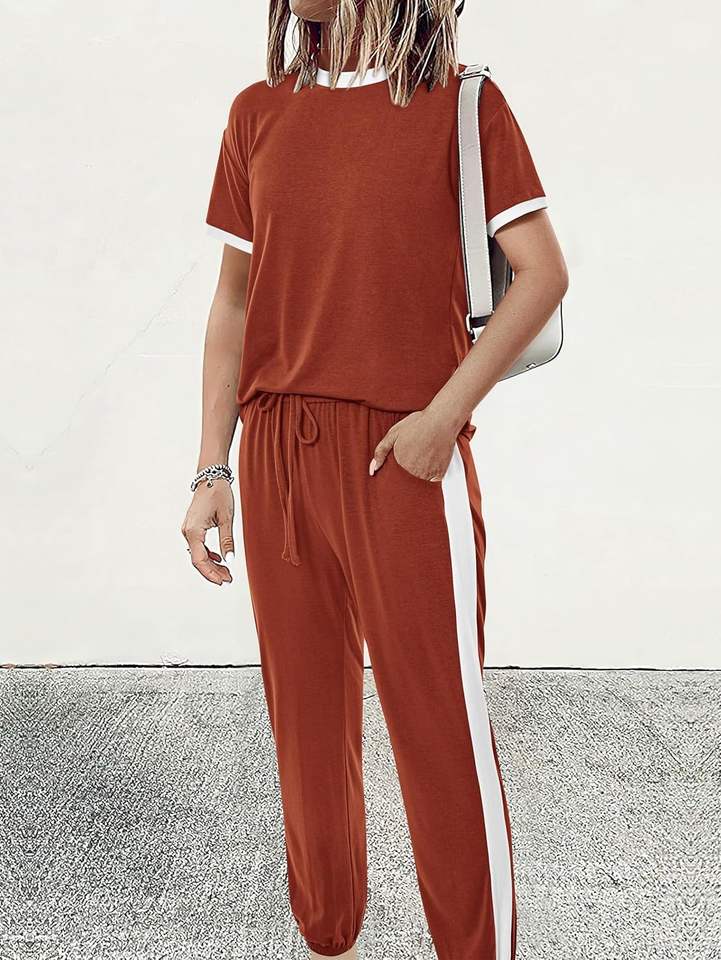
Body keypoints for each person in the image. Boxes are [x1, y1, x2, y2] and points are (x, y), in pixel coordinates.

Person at [181, 0, 568, 957]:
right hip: (276, 452)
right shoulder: (258, 112)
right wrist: (211, 465)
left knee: (438, 730)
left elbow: (542, 275)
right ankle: (328, 934)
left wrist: (442, 419)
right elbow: (233, 302)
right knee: (305, 727)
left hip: (400, 455)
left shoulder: (462, 106)